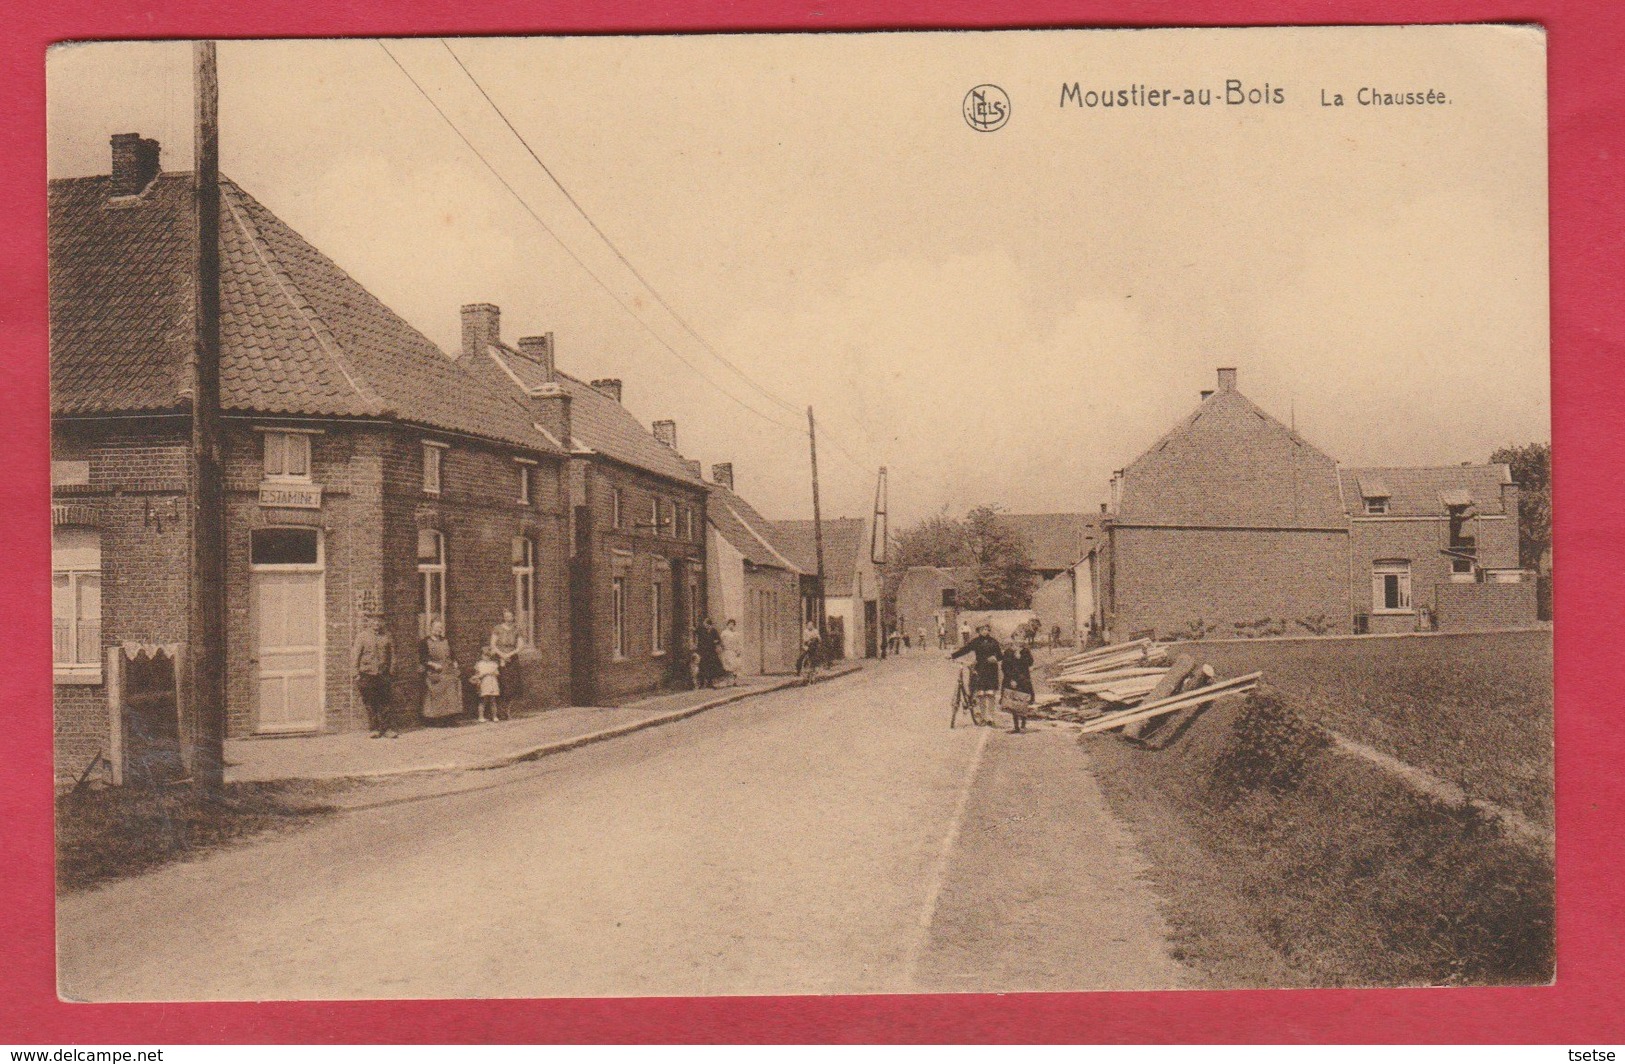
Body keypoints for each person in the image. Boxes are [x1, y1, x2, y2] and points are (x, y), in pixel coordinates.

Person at [352, 611, 397, 739]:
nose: (376, 623)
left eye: (379, 621)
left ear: (382, 622)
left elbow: (393, 655)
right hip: (367, 673)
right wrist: (356, 673)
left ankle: (386, 728)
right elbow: (355, 655)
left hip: (383, 674)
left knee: (385, 702)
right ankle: (374, 728)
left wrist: (392, 671)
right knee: (370, 703)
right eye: (373, 621)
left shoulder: (387, 636)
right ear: (369, 622)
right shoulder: (362, 636)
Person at [950, 623, 1003, 724]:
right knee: (981, 694)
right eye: (983, 629)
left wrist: (995, 658)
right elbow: (965, 650)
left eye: (987, 629)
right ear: (978, 631)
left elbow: (1000, 656)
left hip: (991, 670)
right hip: (980, 669)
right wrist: (953, 656)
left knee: (991, 694)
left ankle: (991, 718)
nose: (985, 631)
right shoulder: (975, 642)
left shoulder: (994, 642)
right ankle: (983, 718)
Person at [419, 618, 463, 724]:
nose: (439, 629)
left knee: (451, 694)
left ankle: (449, 719)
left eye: (440, 627)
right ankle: (435, 720)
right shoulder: (425, 642)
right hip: (434, 672)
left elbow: (452, 655)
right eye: (437, 627)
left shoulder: (445, 640)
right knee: (437, 694)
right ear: (431, 628)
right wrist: (433, 664)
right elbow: (423, 659)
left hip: (448, 670)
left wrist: (455, 663)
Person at [488, 609, 524, 708]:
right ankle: (498, 708)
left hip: (512, 659)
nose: (508, 619)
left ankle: (507, 708)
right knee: (500, 681)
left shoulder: (517, 629)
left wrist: (509, 654)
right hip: (499, 658)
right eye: (506, 616)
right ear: (503, 617)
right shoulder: (498, 628)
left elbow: (520, 646)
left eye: (510, 616)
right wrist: (502, 655)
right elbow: (493, 644)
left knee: (511, 683)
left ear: (513, 617)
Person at [1001, 633, 1036, 734]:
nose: (1020, 641)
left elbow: (1030, 662)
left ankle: (1023, 725)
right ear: (1013, 639)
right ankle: (1016, 726)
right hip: (1012, 679)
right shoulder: (1008, 652)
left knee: (1023, 701)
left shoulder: (1025, 651)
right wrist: (1011, 679)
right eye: (1017, 638)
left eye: (1021, 638)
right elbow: (1005, 667)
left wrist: (1020, 657)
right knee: (1013, 703)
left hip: (1023, 679)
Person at [471, 647, 502, 723]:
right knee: (483, 700)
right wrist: (480, 676)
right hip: (484, 683)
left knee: (493, 700)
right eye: (485, 655)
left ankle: (494, 716)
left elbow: (497, 673)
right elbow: (477, 674)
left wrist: (493, 673)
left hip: (492, 682)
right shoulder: (479, 664)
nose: (486, 657)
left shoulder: (493, 664)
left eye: (488, 655)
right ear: (481, 655)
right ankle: (481, 716)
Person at [695, 617, 725, 688]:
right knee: (702, 667)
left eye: (706, 624)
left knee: (711, 667)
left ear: (709, 624)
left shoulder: (713, 630)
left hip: (711, 651)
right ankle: (701, 683)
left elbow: (718, 639)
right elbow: (696, 632)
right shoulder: (702, 630)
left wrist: (715, 642)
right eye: (704, 624)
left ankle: (710, 682)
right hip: (703, 651)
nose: (705, 626)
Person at [719, 618, 743, 687]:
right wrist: (722, 648)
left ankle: (734, 681)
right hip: (727, 651)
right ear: (727, 625)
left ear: (734, 625)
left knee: (735, 667)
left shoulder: (736, 634)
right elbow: (721, 642)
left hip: (734, 652)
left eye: (733, 624)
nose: (731, 626)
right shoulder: (724, 633)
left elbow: (738, 643)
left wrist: (738, 651)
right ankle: (728, 682)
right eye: (730, 624)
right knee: (727, 667)